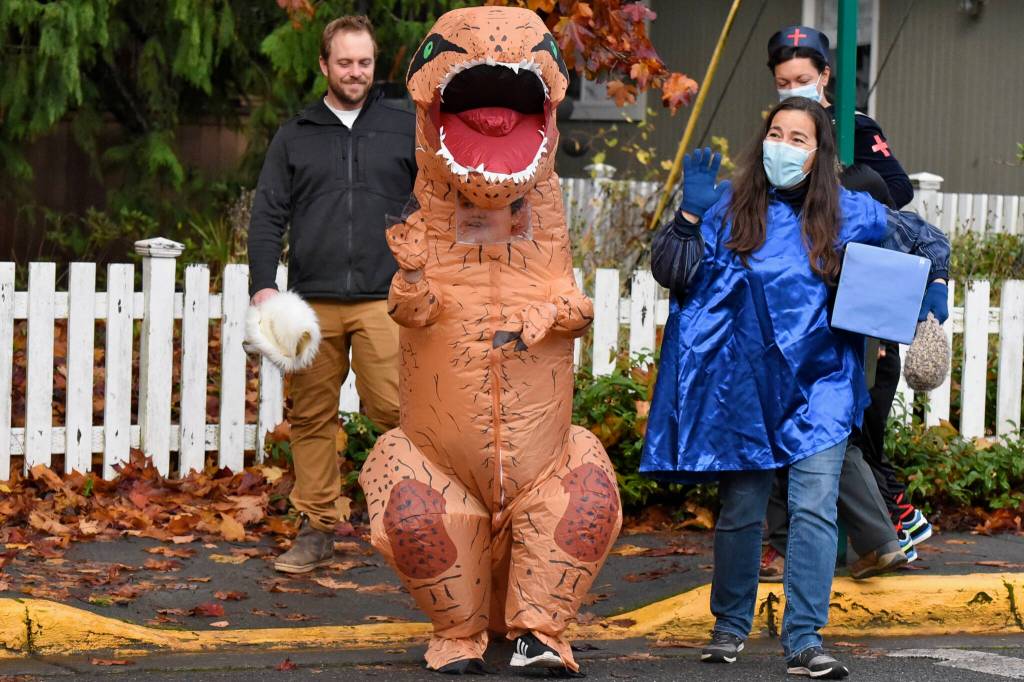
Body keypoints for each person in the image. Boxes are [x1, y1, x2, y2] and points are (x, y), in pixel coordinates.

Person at [643, 97, 950, 679]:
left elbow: (929, 238)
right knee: (742, 508)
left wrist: (934, 286)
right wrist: (687, 219)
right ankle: (730, 625)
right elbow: (672, 274)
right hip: (746, 387)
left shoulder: (845, 210)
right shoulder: (729, 206)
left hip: (821, 384)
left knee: (812, 509)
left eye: (798, 139)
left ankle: (804, 639)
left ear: (818, 154)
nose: (783, 146)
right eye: (776, 134)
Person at [759, 26, 936, 582]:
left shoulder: (854, 130)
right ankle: (849, 538)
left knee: (841, 428)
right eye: (785, 81)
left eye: (804, 80)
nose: (795, 88)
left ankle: (875, 534)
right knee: (783, 420)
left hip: (848, 298)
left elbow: (896, 192)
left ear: (826, 76)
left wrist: (833, 180)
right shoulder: (777, 135)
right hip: (789, 300)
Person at [247, 15, 416, 574]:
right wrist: (264, 286)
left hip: (382, 296)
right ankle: (316, 529)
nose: (355, 72)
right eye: (344, 62)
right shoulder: (296, 133)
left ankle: (412, 523)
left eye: (364, 62)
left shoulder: (403, 127)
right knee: (312, 416)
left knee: (395, 410)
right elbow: (268, 212)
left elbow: (434, 207)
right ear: (324, 65)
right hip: (312, 301)